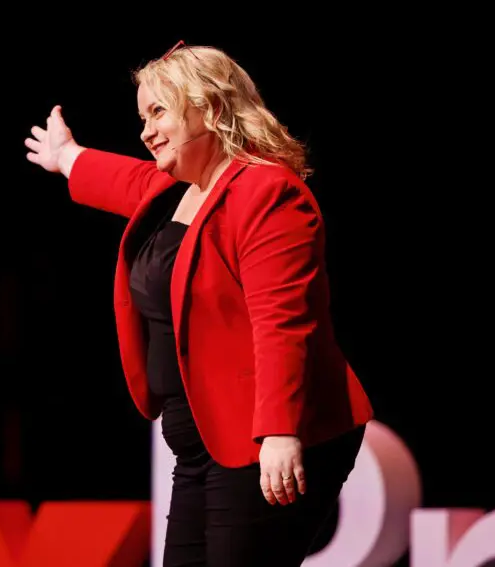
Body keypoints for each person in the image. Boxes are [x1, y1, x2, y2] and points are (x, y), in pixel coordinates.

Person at [23, 41, 374, 566]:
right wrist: (67, 157)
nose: (144, 131)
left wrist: (279, 432)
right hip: (203, 441)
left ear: (208, 107)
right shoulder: (177, 190)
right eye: (143, 116)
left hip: (264, 438)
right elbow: (128, 180)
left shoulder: (266, 193)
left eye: (159, 111)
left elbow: (283, 322)